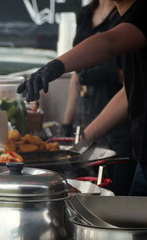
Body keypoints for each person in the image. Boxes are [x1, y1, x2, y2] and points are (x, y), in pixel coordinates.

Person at [17, 0, 147, 195]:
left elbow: (109, 42)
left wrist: (56, 67)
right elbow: (129, 94)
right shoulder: (116, 17)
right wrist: (80, 143)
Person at [61, 0, 135, 195]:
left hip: (119, 124)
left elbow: (132, 82)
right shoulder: (85, 14)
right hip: (86, 117)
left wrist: (110, 73)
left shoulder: (128, 16)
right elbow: (77, 76)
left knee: (115, 196)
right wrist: (67, 123)